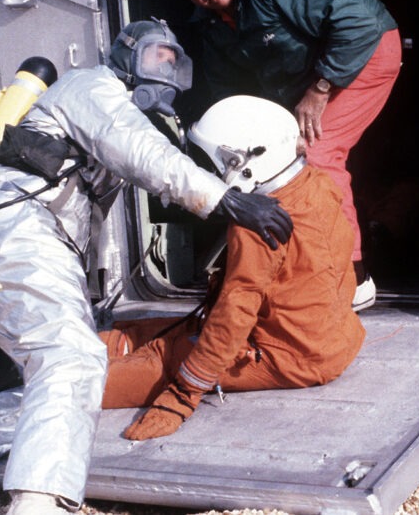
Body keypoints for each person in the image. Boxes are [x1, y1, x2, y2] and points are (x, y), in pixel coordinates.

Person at [0, 20, 293, 514]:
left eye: (176, 65)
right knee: (72, 359)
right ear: (125, 55)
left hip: (29, 239)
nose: (166, 75)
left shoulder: (111, 113)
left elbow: (90, 218)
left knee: (76, 370)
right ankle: (40, 503)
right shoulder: (91, 88)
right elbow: (144, 154)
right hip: (17, 231)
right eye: (156, 59)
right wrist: (225, 200)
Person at [155, 0, 402, 310]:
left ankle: (353, 277)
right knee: (272, 159)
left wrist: (320, 90)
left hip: (365, 52)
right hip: (309, 76)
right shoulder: (210, 20)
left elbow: (360, 24)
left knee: (315, 158)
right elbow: (229, 91)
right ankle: (303, 265)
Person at [100, 95, 365, 439]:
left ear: (243, 161)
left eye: (215, 163)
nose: (212, 173)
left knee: (168, 358)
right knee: (158, 332)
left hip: (290, 358)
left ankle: (45, 383)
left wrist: (183, 394)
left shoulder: (257, 225)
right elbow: (338, 273)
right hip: (335, 341)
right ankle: (84, 347)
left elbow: (235, 312)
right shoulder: (318, 184)